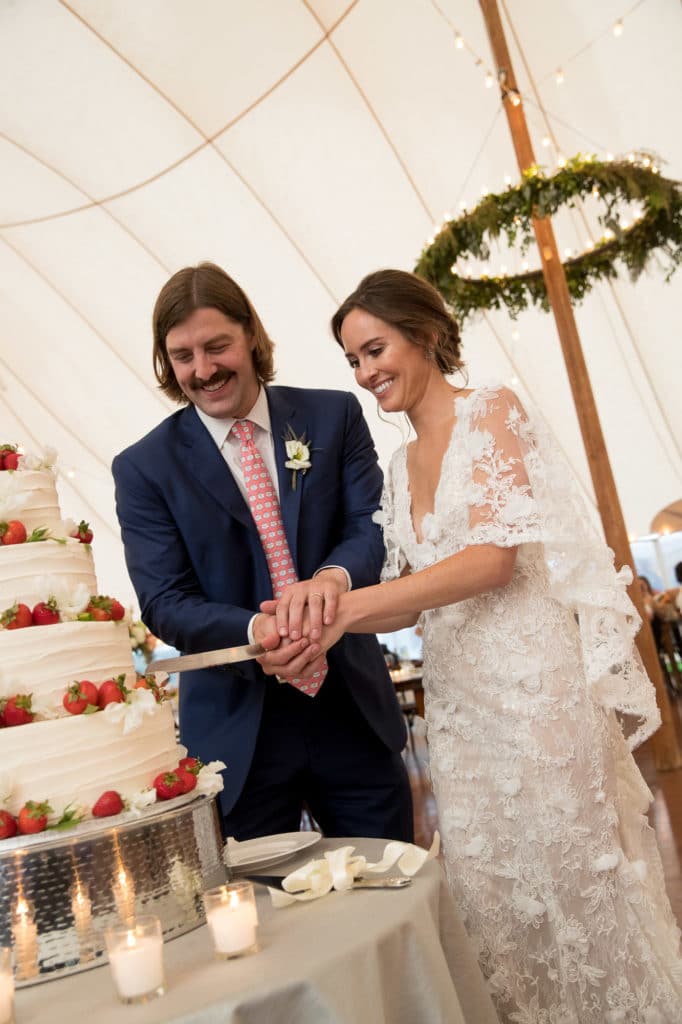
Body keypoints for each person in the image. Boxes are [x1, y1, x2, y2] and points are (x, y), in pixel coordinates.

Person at [261, 269, 682, 1022]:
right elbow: (403, 601)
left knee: (572, 878)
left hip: (536, 696)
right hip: (462, 711)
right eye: (353, 361)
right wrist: (305, 624)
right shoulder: (397, 467)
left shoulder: (493, 411)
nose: (365, 373)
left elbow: (492, 560)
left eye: (375, 349)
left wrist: (347, 606)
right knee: (496, 894)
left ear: (423, 334)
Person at [112, 262, 412, 843]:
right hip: (237, 739)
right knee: (260, 926)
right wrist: (261, 629)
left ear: (250, 333)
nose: (203, 370)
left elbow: (373, 525)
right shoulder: (144, 467)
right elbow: (165, 601)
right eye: (182, 356)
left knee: (393, 884)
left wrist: (330, 582)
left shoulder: (333, 416)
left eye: (216, 346)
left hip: (351, 709)